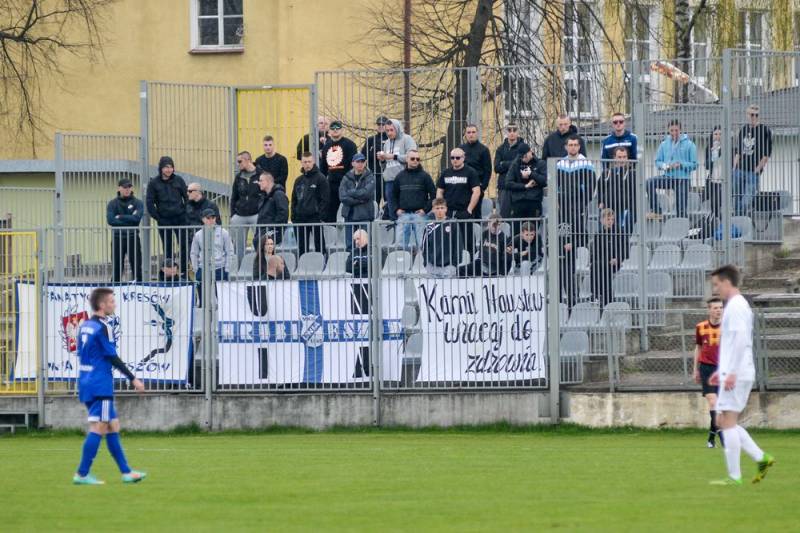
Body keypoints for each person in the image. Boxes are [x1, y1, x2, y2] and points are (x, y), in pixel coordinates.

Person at [708, 265, 775, 486]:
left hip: (737, 373)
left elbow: (740, 341)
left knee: (726, 422)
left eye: (717, 284)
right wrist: (722, 372)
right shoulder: (737, 305)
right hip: (735, 371)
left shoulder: (736, 306)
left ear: (727, 282)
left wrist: (732, 373)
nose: (715, 289)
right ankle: (761, 458)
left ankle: (735, 476)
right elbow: (732, 343)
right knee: (722, 420)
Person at [72, 287, 146, 485]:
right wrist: (133, 378)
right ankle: (82, 474)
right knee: (100, 426)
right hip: (100, 383)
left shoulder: (85, 325)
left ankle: (126, 472)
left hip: (86, 380)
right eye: (112, 301)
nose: (114, 305)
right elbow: (112, 356)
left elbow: (82, 352)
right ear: (102, 305)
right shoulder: (103, 327)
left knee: (113, 425)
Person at [556, 136, 596, 308]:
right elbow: (555, 185)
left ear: (579, 147)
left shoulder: (586, 164)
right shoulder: (560, 164)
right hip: (563, 207)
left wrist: (583, 202)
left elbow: (591, 186)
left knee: (577, 233)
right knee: (562, 235)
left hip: (578, 206)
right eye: (570, 145)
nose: (572, 147)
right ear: (566, 147)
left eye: (575, 145)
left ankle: (575, 247)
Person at [146, 156, 189, 276]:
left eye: (171, 167)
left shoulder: (179, 180)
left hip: (180, 218)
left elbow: (186, 198)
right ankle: (169, 274)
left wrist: (185, 213)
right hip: (164, 220)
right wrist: (158, 218)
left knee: (184, 245)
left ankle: (184, 272)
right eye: (166, 167)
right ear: (161, 168)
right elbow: (149, 202)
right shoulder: (153, 183)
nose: (169, 170)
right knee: (168, 247)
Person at [648, 119, 698, 219]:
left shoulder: (690, 144)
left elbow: (695, 165)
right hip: (668, 177)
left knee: (681, 210)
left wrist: (681, 164)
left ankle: (682, 224)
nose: (674, 133)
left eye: (676, 130)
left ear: (681, 130)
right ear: (668, 130)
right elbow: (657, 161)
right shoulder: (664, 144)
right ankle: (657, 211)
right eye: (671, 130)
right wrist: (666, 166)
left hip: (683, 179)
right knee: (649, 183)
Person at [436, 147, 481, 256]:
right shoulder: (445, 172)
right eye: (452, 158)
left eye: (457, 157)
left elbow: (476, 191)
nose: (455, 160)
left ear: (463, 158)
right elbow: (439, 191)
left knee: (467, 242)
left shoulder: (471, 172)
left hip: (464, 212)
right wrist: (441, 208)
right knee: (447, 241)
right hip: (448, 212)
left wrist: (469, 210)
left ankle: (470, 263)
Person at [694, 297, 725, 449]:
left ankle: (712, 436)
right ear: (709, 310)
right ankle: (723, 438)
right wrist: (695, 369)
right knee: (713, 402)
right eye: (715, 308)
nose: (719, 310)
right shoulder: (700, 327)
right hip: (706, 368)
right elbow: (698, 348)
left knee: (720, 406)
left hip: (723, 369)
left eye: (720, 307)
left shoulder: (727, 327)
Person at [190, 209, 236, 306]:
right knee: (202, 300)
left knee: (223, 300)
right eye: (208, 218)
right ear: (203, 219)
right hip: (203, 268)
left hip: (220, 268)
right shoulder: (198, 235)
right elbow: (194, 253)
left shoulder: (224, 232)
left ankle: (222, 315)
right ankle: (203, 313)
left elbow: (230, 251)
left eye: (213, 217)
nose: (211, 220)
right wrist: (196, 269)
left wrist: (227, 268)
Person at [392, 149, 436, 251]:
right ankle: (401, 262)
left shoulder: (425, 176)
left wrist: (425, 210)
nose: (415, 161)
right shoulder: (400, 176)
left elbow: (434, 194)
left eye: (418, 159)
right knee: (400, 247)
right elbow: (393, 195)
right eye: (412, 158)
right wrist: (396, 209)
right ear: (407, 159)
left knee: (422, 245)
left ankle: (423, 261)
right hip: (404, 215)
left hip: (420, 215)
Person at [733, 104, 772, 216]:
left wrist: (757, 169)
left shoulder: (765, 130)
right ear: (747, 115)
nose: (753, 117)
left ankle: (741, 216)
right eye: (751, 114)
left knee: (747, 199)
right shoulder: (743, 130)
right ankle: (738, 219)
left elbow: (767, 154)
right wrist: (734, 167)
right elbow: (738, 151)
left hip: (753, 172)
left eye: (756, 115)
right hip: (740, 170)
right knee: (736, 197)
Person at [320, 120, 358, 223]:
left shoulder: (350, 145)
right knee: (330, 213)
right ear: (329, 131)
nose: (335, 130)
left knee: (350, 211)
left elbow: (353, 166)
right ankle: (332, 232)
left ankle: (351, 232)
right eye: (333, 128)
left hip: (347, 183)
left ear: (342, 130)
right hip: (331, 184)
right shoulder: (326, 147)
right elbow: (323, 168)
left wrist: (350, 181)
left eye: (338, 128)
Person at [291, 152, 329, 256]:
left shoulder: (321, 178)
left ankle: (322, 264)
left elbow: (325, 200)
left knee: (319, 246)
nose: (307, 164)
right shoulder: (298, 180)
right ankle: (303, 264)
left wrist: (320, 216)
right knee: (302, 248)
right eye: (305, 162)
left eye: (309, 161)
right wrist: (294, 217)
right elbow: (294, 199)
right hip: (300, 219)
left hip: (315, 218)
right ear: (301, 163)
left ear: (313, 162)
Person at [379, 118, 417, 221]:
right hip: (390, 181)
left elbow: (412, 157)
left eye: (392, 130)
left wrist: (393, 156)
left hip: (404, 180)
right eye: (387, 130)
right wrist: (382, 160)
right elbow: (384, 166)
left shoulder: (407, 139)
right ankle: (395, 229)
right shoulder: (386, 143)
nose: (389, 133)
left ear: (397, 128)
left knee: (405, 211)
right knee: (393, 212)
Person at [106, 178, 143, 282]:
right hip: (117, 237)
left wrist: (120, 217)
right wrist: (129, 219)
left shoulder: (138, 203)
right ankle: (115, 288)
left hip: (133, 237)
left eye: (129, 187)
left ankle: (140, 287)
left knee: (136, 266)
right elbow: (111, 220)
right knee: (117, 267)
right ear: (119, 188)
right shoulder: (112, 203)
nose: (127, 189)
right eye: (125, 187)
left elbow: (136, 219)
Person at [590, 209, 628, 307]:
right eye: (608, 219)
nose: (610, 221)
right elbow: (595, 253)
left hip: (614, 262)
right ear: (601, 220)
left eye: (612, 219)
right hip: (602, 262)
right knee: (596, 266)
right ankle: (605, 297)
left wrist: (618, 259)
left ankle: (597, 295)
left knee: (599, 267)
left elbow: (625, 249)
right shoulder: (598, 234)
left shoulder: (620, 232)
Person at [230, 151, 263, 265]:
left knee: (260, 243)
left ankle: (259, 268)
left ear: (248, 160)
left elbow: (266, 194)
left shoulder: (261, 174)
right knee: (238, 246)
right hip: (240, 215)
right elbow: (234, 197)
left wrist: (262, 211)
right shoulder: (238, 177)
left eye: (240, 161)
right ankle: (240, 269)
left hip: (256, 214)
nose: (238, 164)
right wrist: (233, 215)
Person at [505, 143, 547, 227]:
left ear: (530, 152)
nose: (523, 159)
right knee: (517, 230)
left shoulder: (540, 163)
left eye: (525, 156)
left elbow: (544, 181)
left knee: (533, 229)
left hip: (533, 201)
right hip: (518, 202)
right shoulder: (515, 164)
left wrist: (531, 174)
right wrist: (525, 186)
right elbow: (508, 183)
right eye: (521, 157)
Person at [339, 153, 376, 249]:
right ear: (352, 163)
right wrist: (359, 201)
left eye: (362, 161)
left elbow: (366, 193)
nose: (360, 164)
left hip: (364, 215)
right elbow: (343, 197)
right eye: (358, 161)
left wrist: (351, 192)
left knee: (364, 245)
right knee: (350, 246)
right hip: (349, 215)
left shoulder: (370, 177)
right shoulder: (346, 177)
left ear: (365, 163)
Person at [598, 147, 637, 232]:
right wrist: (600, 201)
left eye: (624, 157)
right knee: (604, 234)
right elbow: (599, 188)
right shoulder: (606, 173)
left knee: (621, 234)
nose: (622, 159)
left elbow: (635, 194)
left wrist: (630, 208)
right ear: (614, 158)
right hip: (607, 209)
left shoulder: (633, 174)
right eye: (619, 157)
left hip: (624, 209)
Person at [494, 123, 527, 218]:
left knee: (520, 215)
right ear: (506, 132)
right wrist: (515, 163)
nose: (512, 133)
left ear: (518, 132)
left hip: (519, 185)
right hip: (504, 187)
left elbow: (525, 164)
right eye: (509, 130)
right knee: (504, 216)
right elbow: (497, 168)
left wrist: (504, 163)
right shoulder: (500, 149)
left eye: (514, 130)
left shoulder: (524, 147)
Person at [422, 198, 459, 278]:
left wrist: (454, 264)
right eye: (437, 208)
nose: (440, 210)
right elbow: (424, 247)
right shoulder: (429, 227)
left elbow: (458, 245)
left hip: (449, 266)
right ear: (433, 210)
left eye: (442, 208)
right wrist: (426, 263)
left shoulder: (452, 224)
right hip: (432, 267)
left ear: (446, 209)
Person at [459, 124, 492, 213]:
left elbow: (488, 171)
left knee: (476, 214)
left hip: (477, 187)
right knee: (462, 213)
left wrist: (482, 187)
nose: (471, 134)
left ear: (477, 133)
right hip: (462, 187)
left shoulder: (484, 150)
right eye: (469, 132)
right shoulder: (461, 149)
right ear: (465, 134)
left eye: (473, 132)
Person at [253, 171, 289, 248]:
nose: (259, 183)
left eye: (261, 180)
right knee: (257, 242)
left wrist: (273, 228)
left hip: (274, 230)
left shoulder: (278, 194)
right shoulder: (264, 196)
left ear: (268, 181)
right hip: (263, 229)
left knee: (260, 242)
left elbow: (283, 213)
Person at [360, 115, 389, 204]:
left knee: (389, 201)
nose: (380, 126)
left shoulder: (391, 139)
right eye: (379, 124)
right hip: (374, 175)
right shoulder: (371, 140)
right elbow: (363, 156)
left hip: (388, 175)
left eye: (383, 124)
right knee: (374, 202)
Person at [704, 126, 723, 220]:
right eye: (715, 134)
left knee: (717, 202)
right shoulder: (709, 148)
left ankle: (720, 220)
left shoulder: (727, 147)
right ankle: (716, 221)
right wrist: (713, 155)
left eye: (720, 134)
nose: (718, 136)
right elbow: (707, 165)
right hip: (713, 180)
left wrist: (718, 152)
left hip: (723, 180)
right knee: (713, 204)